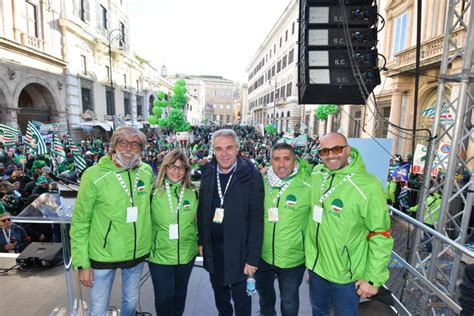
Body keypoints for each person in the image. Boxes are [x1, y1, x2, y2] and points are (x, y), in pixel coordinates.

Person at [305, 132, 393, 316]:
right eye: (324, 151)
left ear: (348, 150)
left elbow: (380, 234)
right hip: (316, 269)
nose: (330, 155)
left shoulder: (368, 185)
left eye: (336, 149)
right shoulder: (317, 173)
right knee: (319, 311)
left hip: (345, 276)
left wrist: (373, 278)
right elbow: (295, 169)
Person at [70, 126, 153, 316]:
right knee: (98, 308)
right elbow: (80, 222)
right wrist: (83, 264)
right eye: (123, 142)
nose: (128, 148)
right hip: (102, 255)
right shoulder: (93, 175)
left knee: (131, 303)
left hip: (136, 252)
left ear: (141, 148)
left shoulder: (147, 172)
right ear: (113, 146)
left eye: (135, 144)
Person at [197, 129, 264, 316]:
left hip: (240, 252)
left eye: (229, 148)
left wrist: (252, 258)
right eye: (219, 149)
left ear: (237, 149)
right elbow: (202, 210)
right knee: (220, 298)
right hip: (214, 251)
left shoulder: (251, 175)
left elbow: (257, 219)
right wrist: (201, 241)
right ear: (213, 150)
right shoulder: (209, 172)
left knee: (242, 302)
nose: (224, 153)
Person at [256, 143, 311, 316]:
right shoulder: (261, 181)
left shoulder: (308, 184)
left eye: (286, 159)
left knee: (289, 300)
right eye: (276, 159)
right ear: (270, 161)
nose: (281, 164)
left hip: (292, 258)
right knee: (265, 296)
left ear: (295, 160)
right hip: (263, 255)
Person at [149, 149, 198, 316]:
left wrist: (199, 242)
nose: (177, 171)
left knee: (179, 295)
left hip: (186, 255)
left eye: (181, 167)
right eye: (173, 166)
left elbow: (199, 222)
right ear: (165, 167)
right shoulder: (153, 192)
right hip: (160, 255)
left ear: (186, 170)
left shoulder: (193, 193)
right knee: (163, 298)